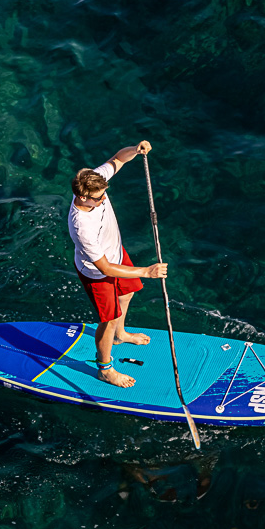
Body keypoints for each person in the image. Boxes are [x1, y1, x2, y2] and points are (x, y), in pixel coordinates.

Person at [68, 140, 168, 388]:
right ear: (82, 197)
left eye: (104, 194)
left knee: (129, 293)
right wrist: (146, 271)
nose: (103, 200)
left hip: (116, 254)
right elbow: (104, 269)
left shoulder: (93, 179)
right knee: (108, 320)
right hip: (97, 272)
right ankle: (104, 369)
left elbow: (117, 159)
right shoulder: (82, 227)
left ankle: (120, 335)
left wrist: (135, 149)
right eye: (97, 199)